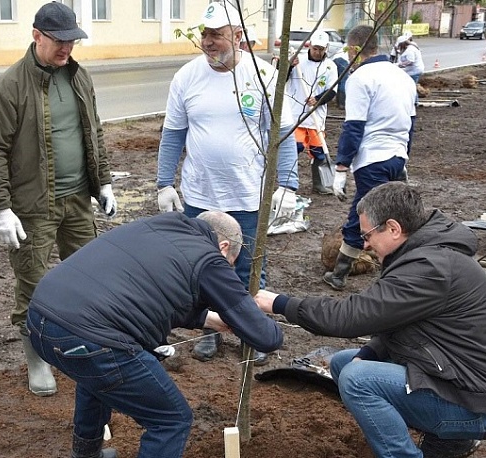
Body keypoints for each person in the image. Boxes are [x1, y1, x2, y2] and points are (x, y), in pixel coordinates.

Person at [256, 182, 486, 458]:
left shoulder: (429, 268)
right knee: (344, 363)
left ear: (393, 228)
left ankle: (439, 440)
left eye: (367, 235)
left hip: (475, 402)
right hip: (456, 377)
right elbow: (400, 321)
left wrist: (281, 303)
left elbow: (351, 316)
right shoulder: (424, 254)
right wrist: (370, 352)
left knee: (357, 380)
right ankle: (447, 440)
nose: (365, 244)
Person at [27, 211, 285, 458]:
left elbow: (156, 289)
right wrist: (274, 306)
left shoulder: (160, 226)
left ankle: (85, 454)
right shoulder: (210, 259)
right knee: (171, 419)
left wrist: (207, 319)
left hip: (41, 318)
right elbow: (265, 337)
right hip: (90, 338)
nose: (227, 269)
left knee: (95, 377)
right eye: (230, 264)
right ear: (224, 247)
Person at [0, 1, 116, 397]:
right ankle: (37, 358)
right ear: (37, 36)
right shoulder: (10, 86)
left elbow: (94, 131)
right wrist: (2, 208)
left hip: (78, 199)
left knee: (89, 277)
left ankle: (85, 345)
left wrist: (103, 182)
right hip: (32, 206)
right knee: (34, 285)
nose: (66, 48)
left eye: (72, 41)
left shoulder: (79, 77)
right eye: (59, 41)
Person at [156, 1, 299, 365]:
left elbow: (283, 135)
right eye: (204, 34)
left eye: (216, 35)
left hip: (247, 194)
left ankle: (253, 331)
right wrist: (164, 183)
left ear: (238, 36)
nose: (208, 42)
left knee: (249, 268)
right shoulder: (187, 77)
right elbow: (173, 134)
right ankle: (211, 330)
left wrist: (288, 186)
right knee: (200, 266)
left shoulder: (263, 76)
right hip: (200, 195)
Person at [323, 24, 416, 291]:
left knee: (365, 214)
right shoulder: (403, 77)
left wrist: (341, 167)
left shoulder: (360, 78)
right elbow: (411, 123)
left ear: (355, 49)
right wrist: (404, 156)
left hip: (373, 158)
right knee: (396, 213)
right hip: (397, 155)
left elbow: (354, 126)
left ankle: (340, 274)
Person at [285, 31, 338, 194]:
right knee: (294, 148)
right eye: (315, 48)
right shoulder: (297, 62)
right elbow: (281, 79)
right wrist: (288, 66)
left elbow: (332, 90)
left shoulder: (330, 66)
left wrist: (318, 99)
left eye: (321, 49)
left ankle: (319, 184)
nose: (318, 52)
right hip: (296, 116)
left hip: (317, 118)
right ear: (310, 46)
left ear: (326, 48)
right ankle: (288, 184)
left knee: (319, 152)